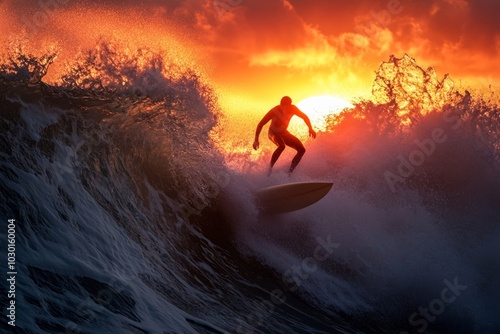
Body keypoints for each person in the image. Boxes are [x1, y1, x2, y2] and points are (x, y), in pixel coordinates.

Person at [253, 96, 316, 175]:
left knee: (302, 150)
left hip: (284, 133)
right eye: (284, 106)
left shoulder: (293, 109)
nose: (286, 108)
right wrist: (256, 140)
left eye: (288, 106)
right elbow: (261, 124)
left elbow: (304, 117)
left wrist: (310, 128)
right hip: (273, 133)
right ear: (281, 104)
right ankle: (269, 169)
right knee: (282, 146)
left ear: (290, 105)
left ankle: (289, 173)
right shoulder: (275, 110)